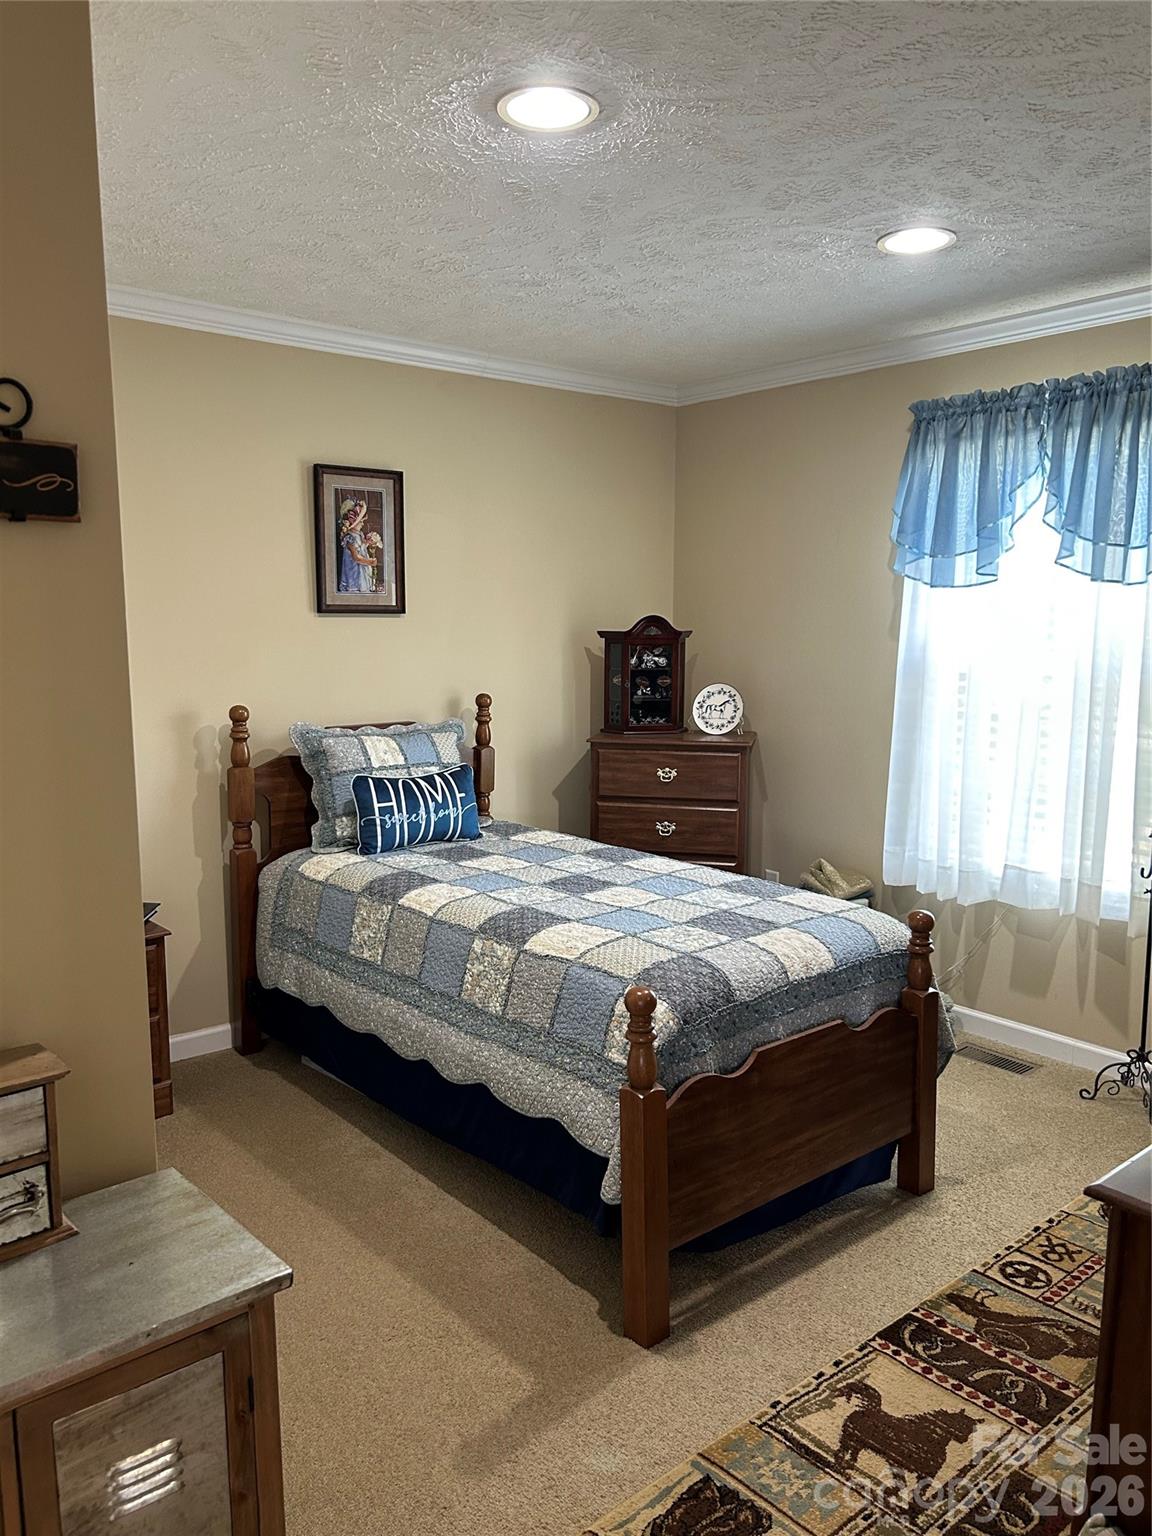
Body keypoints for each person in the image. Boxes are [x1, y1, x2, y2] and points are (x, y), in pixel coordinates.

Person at [337, 498, 376, 593]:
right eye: (361, 521)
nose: (363, 523)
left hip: (361, 572)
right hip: (353, 574)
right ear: (352, 522)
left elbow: (361, 548)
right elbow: (356, 557)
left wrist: (367, 543)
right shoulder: (350, 537)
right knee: (356, 590)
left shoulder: (360, 534)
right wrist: (369, 562)